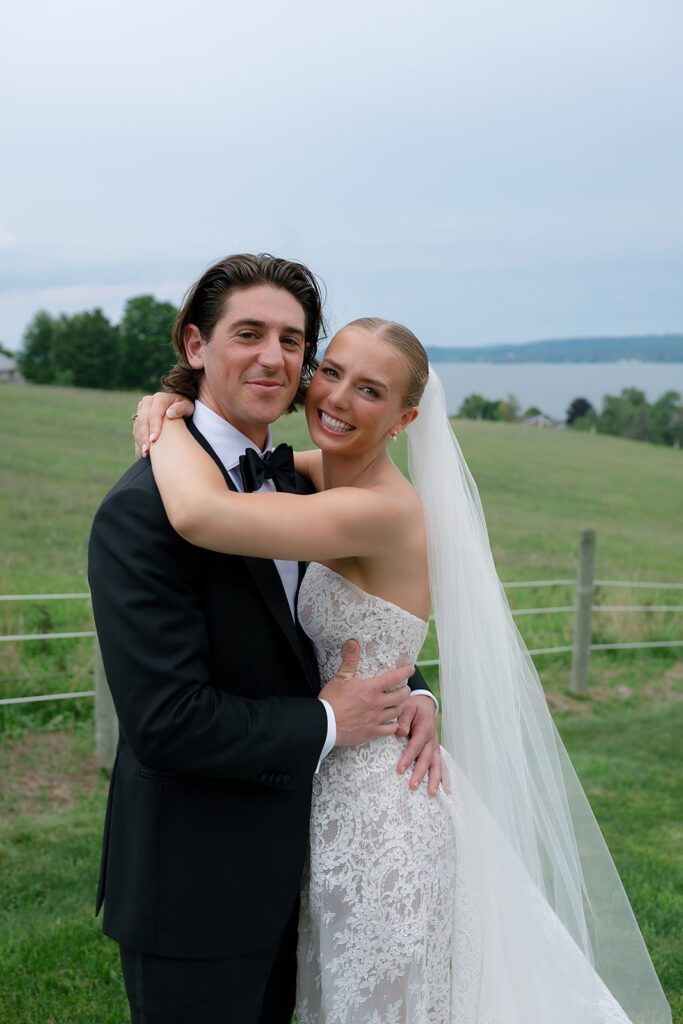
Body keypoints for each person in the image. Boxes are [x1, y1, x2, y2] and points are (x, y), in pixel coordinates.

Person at [137, 317, 672, 1024]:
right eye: (329, 371)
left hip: (380, 809)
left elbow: (203, 513)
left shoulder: (378, 510)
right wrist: (415, 685)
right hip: (335, 777)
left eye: (369, 390)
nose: (335, 396)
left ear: (404, 418)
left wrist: (162, 419)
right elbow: (275, 468)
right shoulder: (327, 472)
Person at [88, 254, 440, 1024]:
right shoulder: (143, 510)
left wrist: (407, 689)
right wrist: (329, 720)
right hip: (197, 888)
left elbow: (334, 631)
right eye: (248, 333)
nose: (275, 358)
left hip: (326, 856)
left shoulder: (297, 483)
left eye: (292, 340)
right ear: (195, 347)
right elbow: (167, 720)